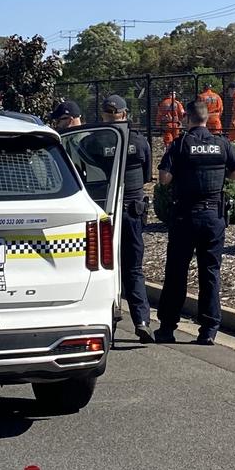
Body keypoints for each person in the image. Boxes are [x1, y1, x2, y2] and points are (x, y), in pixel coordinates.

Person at [154, 99, 235, 346]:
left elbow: (164, 178)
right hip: (213, 218)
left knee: (176, 272)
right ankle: (208, 330)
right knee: (210, 272)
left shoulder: (180, 144)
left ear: (187, 118)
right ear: (208, 118)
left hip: (185, 217)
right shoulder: (221, 144)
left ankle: (167, 328)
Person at [101, 94, 154, 343]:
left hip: (105, 212)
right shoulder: (140, 142)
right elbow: (145, 176)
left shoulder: (95, 142)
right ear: (126, 114)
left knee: (105, 267)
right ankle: (142, 320)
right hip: (133, 210)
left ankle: (109, 319)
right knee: (134, 269)